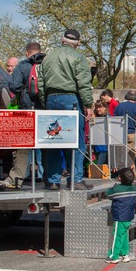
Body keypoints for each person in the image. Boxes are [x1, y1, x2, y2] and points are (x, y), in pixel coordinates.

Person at [38, 29, 94, 191]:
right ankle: (75, 180)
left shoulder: (48, 58)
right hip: (71, 99)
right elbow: (83, 83)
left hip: (51, 98)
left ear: (62, 40)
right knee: (75, 141)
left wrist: (45, 100)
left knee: (53, 141)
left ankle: (53, 180)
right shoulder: (78, 57)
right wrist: (88, 104)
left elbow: (41, 84)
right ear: (77, 42)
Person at [0, 43, 46, 189]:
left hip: (27, 110)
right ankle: (50, 178)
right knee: (47, 147)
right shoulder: (48, 63)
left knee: (23, 148)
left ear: (27, 53)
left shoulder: (23, 65)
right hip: (45, 111)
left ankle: (16, 179)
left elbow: (14, 86)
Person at [104, 167, 136, 264]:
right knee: (123, 235)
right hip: (129, 216)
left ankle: (113, 256)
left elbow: (108, 194)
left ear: (119, 178)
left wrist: (113, 187)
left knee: (117, 236)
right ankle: (124, 254)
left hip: (120, 216)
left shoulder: (117, 189)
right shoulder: (133, 188)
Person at [114, 90, 136, 170]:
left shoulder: (119, 106)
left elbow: (115, 119)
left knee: (121, 156)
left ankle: (122, 174)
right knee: (131, 158)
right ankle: (131, 175)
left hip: (120, 133)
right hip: (132, 133)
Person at [92, 99, 109, 165]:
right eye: (97, 107)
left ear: (105, 108)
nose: (98, 109)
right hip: (96, 147)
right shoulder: (94, 118)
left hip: (104, 148)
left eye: (100, 107)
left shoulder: (108, 118)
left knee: (99, 166)